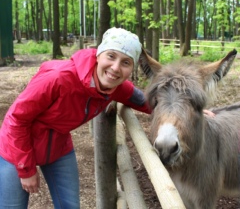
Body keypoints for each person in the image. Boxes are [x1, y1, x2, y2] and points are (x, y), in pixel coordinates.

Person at [0, 27, 214, 209]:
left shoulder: (114, 86)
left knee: (70, 206)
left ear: (131, 69)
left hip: (58, 147)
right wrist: (26, 169)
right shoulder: (59, 79)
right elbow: (16, 120)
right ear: (98, 55)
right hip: (17, 149)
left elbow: (142, 100)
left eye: (126, 62)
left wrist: (187, 110)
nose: (115, 68)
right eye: (111, 56)